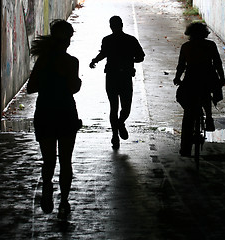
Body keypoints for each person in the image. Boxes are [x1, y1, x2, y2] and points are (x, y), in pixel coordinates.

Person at [27, 19, 82, 219]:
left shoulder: (43, 61)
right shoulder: (71, 62)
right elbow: (74, 88)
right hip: (66, 113)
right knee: (66, 161)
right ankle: (64, 199)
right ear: (68, 40)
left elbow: (31, 87)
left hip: (45, 113)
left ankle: (48, 188)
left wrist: (48, 81)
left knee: (48, 160)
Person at [89, 16, 145, 150]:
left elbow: (103, 54)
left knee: (113, 107)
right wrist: (130, 62)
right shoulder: (131, 40)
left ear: (111, 26)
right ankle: (121, 123)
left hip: (111, 77)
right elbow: (141, 57)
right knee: (126, 108)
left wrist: (94, 61)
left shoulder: (107, 40)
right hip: (125, 77)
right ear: (122, 24)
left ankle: (115, 135)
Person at [173, 22, 225, 157]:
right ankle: (209, 118)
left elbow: (181, 65)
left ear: (190, 34)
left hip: (191, 79)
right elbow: (217, 63)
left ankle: (185, 149)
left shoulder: (186, 47)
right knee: (208, 94)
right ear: (204, 33)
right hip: (208, 77)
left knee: (185, 104)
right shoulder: (210, 45)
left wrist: (177, 78)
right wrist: (222, 78)